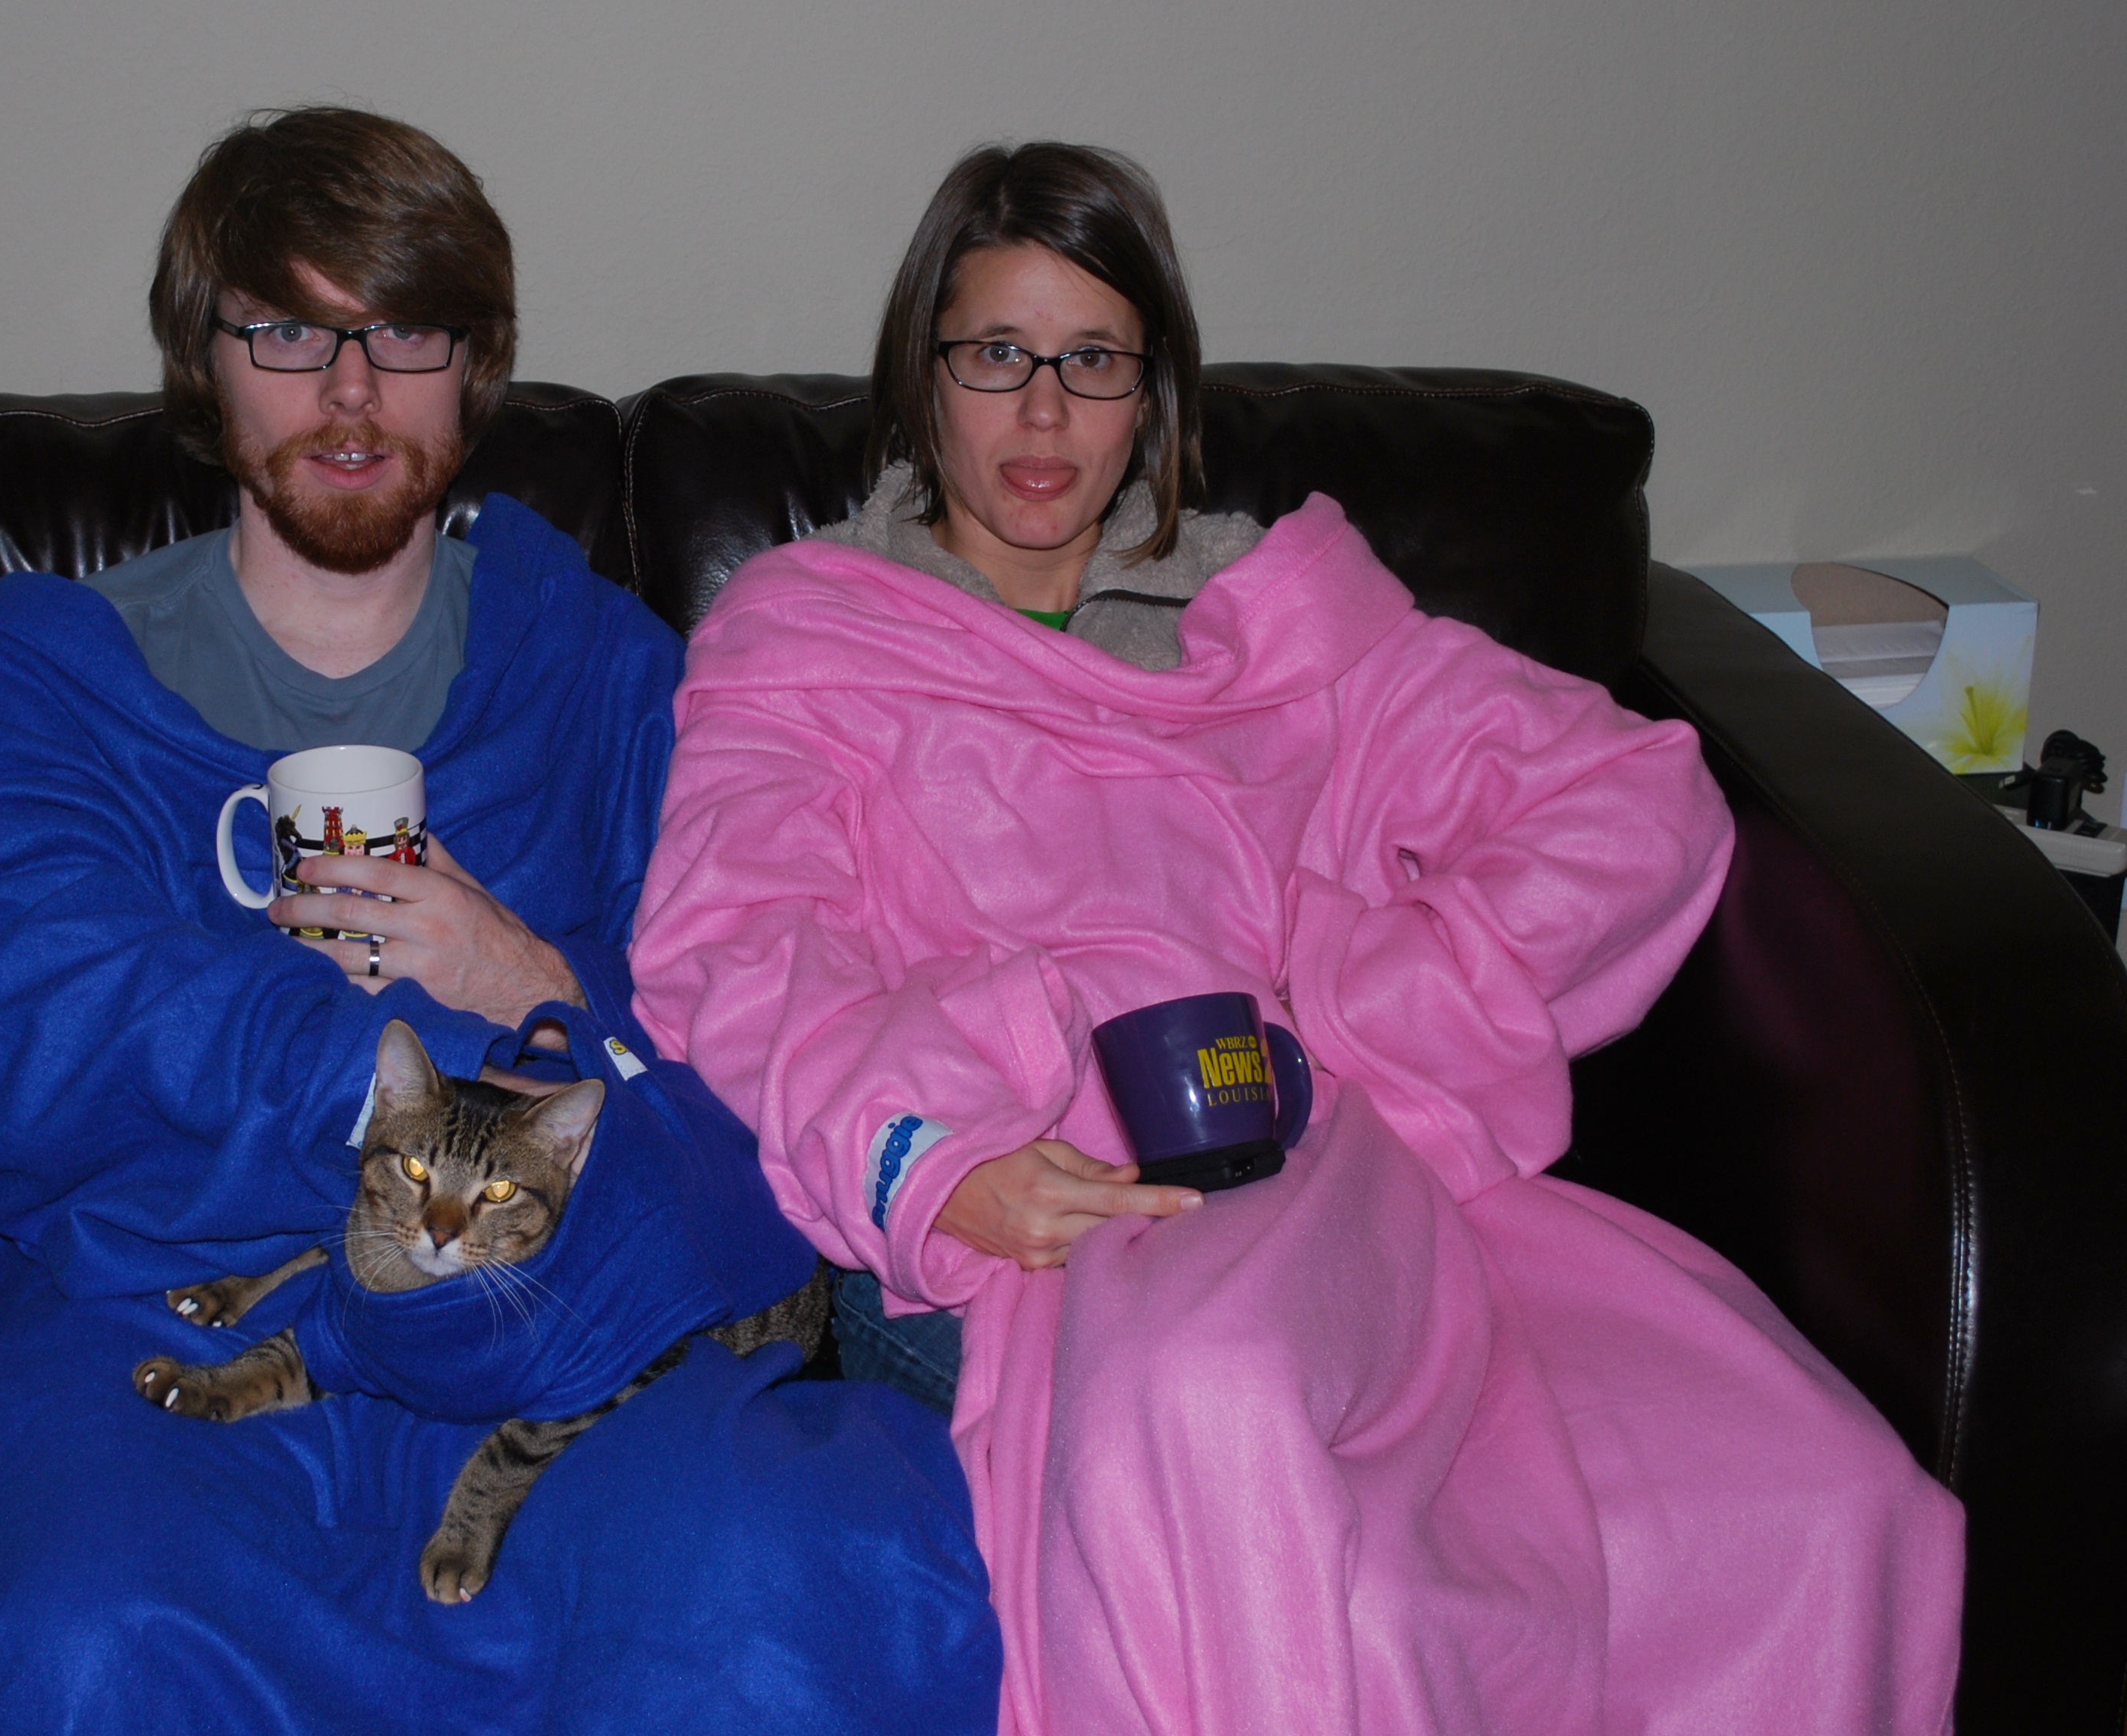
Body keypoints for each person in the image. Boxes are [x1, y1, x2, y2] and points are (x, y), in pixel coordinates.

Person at [0, 108, 998, 1736]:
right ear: (205, 362)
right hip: (152, 1301)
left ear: (474, 369)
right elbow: (20, 1014)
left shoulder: (602, 677)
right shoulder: (31, 682)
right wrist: (387, 1062)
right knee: (92, 1631)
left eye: (405, 333)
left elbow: (754, 1038)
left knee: (786, 1588)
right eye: (287, 330)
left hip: (555, 1324)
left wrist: (536, 978)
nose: (349, 390)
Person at [627, 141, 1966, 1734]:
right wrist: (929, 1158)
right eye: (995, 356)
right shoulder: (810, 634)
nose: (1043, 416)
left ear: (1151, 392)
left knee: (1809, 1496)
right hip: (1026, 1210)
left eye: (1093, 361)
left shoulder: (1276, 623)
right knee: (1274, 1490)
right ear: (923, 378)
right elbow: (738, 947)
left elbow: (1625, 800)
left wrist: (1364, 1014)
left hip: (1333, 1177)